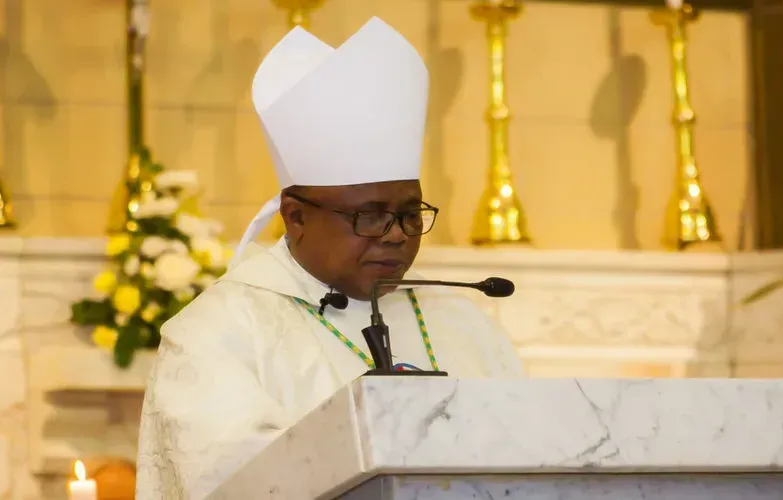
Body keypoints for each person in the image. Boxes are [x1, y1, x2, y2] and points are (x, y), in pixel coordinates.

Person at [135, 16, 524, 499]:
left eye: (409, 214)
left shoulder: (464, 324)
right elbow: (231, 482)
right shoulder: (219, 333)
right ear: (296, 217)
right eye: (369, 216)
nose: (395, 235)